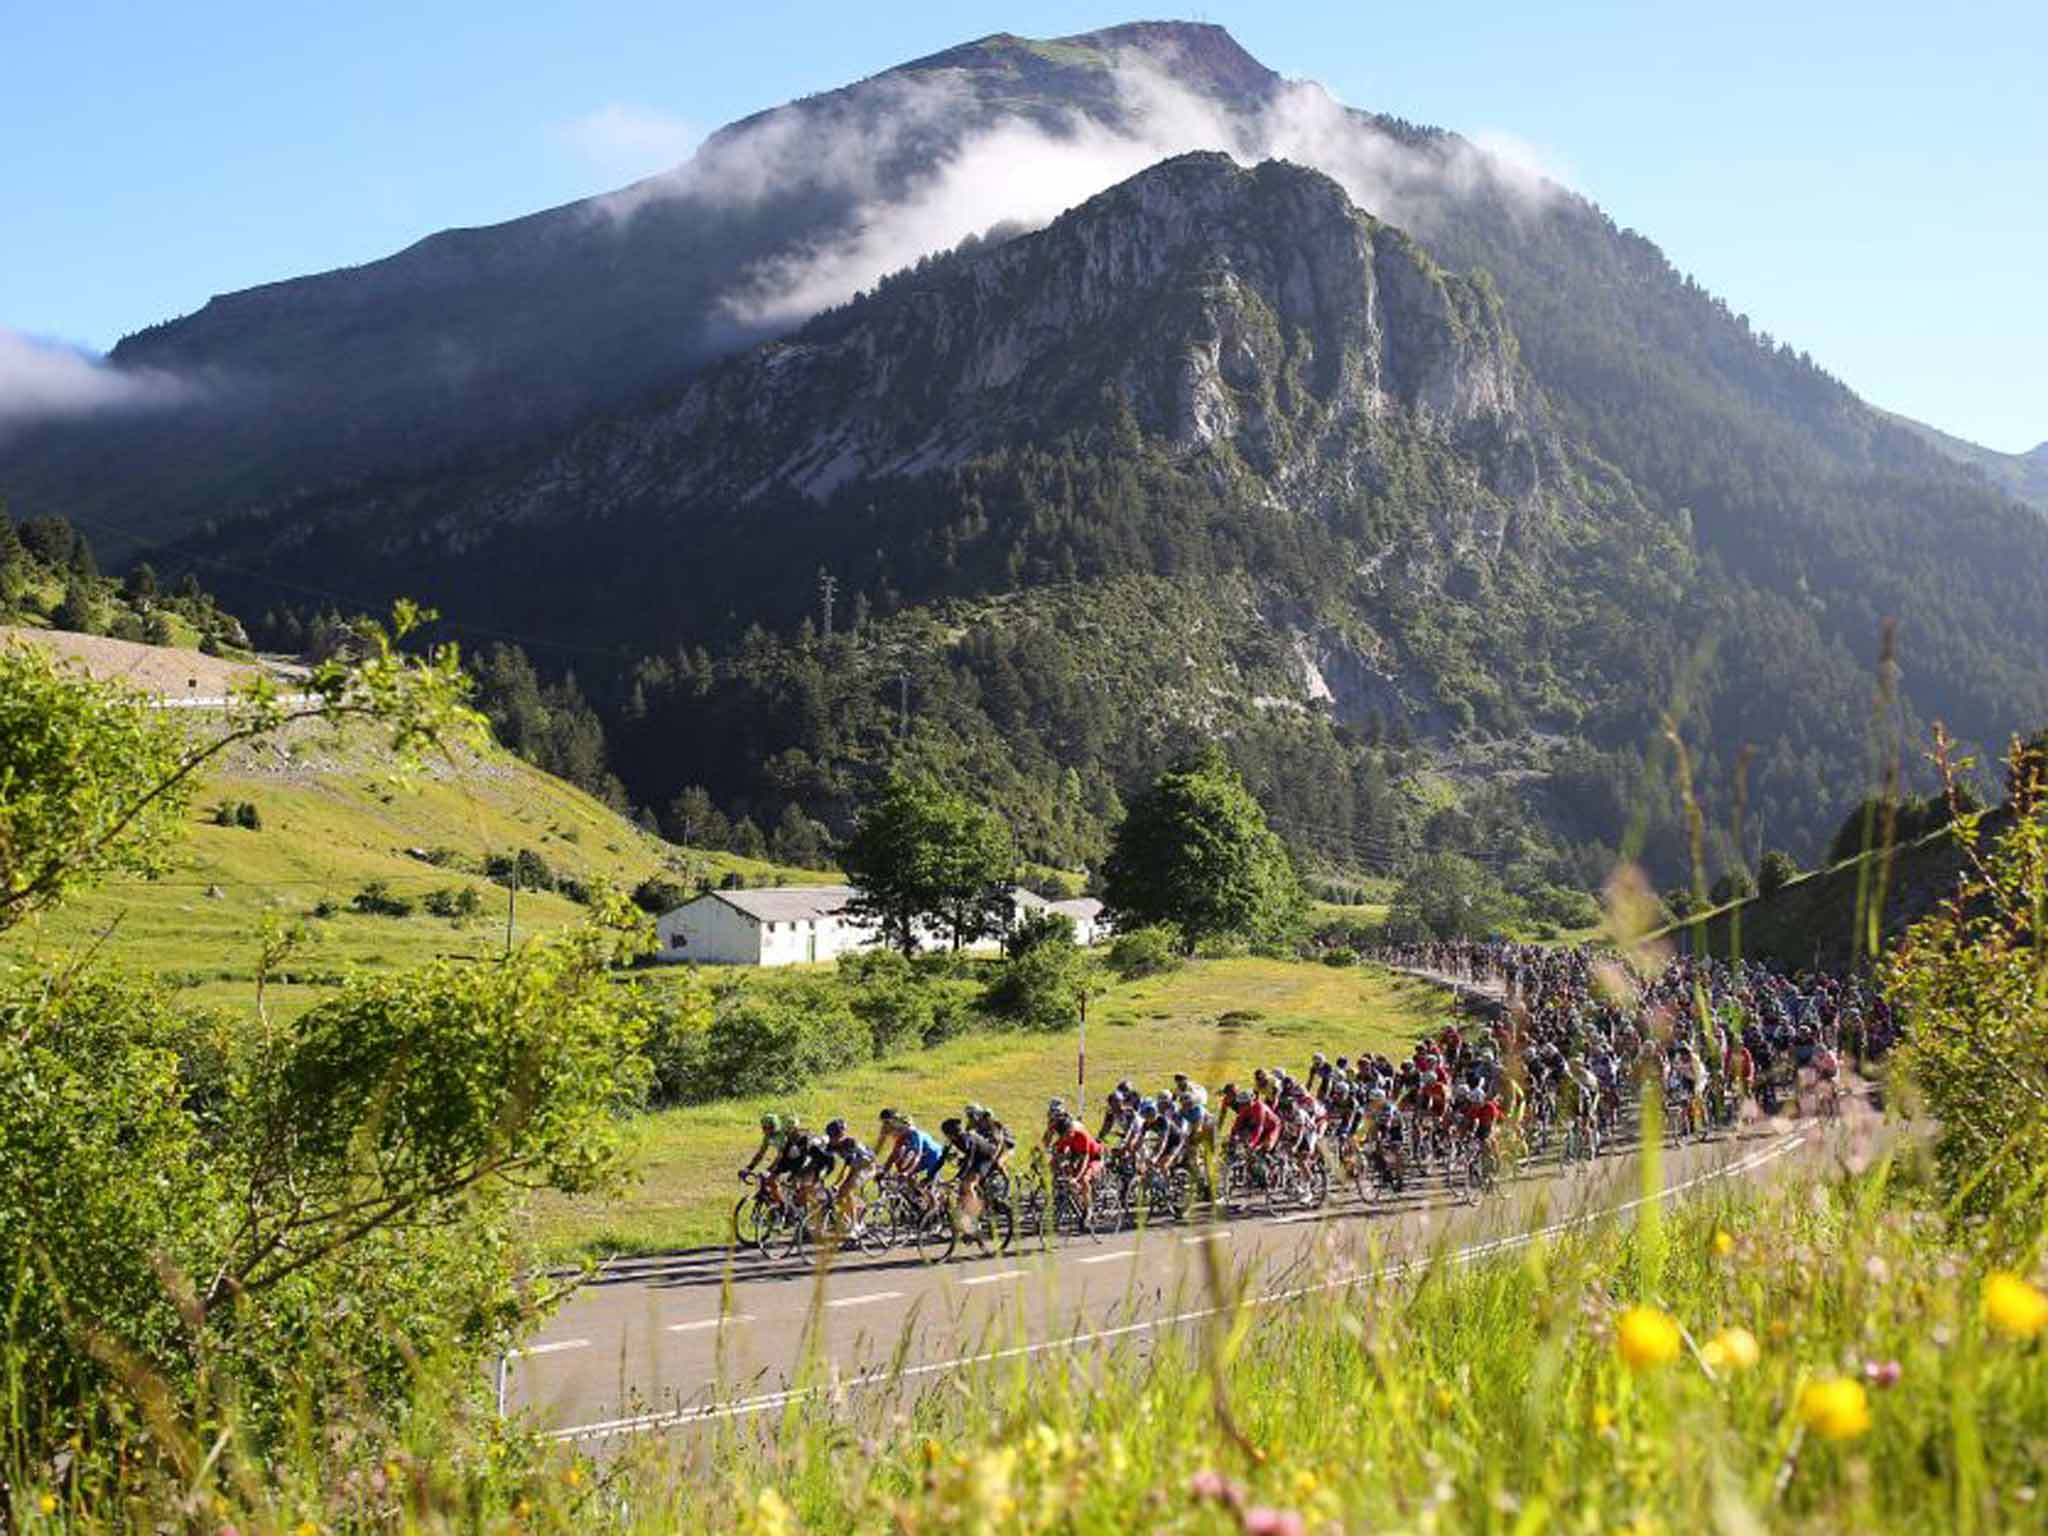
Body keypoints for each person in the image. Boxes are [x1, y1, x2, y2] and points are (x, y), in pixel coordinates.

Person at [1048, 1111, 1105, 1213]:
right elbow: (1057, 1157)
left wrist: (1075, 1178)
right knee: (1065, 1170)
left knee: (1084, 1179)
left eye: (1069, 1134)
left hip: (1094, 1157)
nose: (1067, 1137)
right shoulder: (1064, 1137)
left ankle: (1089, 1210)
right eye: (1064, 1135)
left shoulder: (1082, 1135)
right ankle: (1079, 1199)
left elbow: (1085, 1161)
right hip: (1077, 1154)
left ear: (1071, 1128)